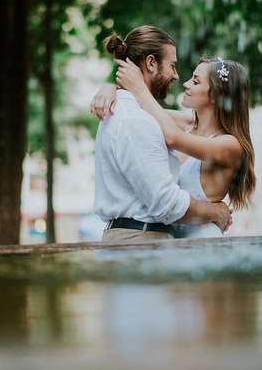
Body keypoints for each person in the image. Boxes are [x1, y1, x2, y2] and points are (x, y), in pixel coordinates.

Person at [93, 25, 232, 242]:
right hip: (141, 239)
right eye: (173, 66)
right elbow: (165, 202)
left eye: (195, 81)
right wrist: (217, 212)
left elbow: (173, 128)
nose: (178, 77)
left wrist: (117, 89)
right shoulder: (136, 120)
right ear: (151, 62)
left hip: (151, 237)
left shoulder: (142, 116)